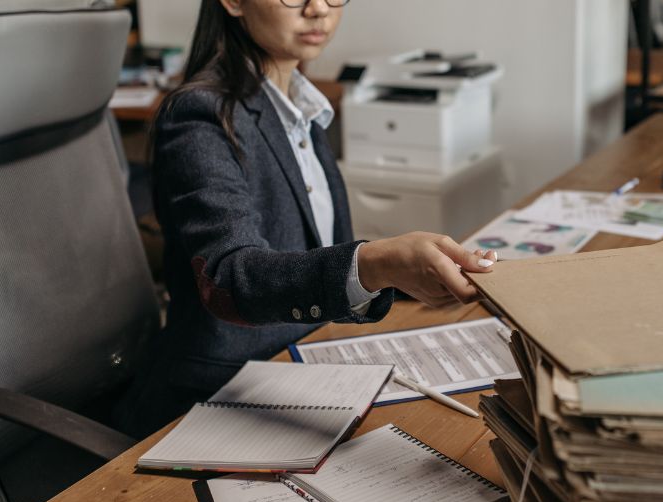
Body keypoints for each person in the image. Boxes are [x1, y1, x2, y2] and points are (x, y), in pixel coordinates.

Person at [114, 0, 495, 437]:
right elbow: (229, 277)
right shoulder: (199, 115)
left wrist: (417, 273)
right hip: (218, 391)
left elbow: (314, 253)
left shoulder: (301, 107)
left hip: (307, 361)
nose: (318, 9)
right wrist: (378, 262)